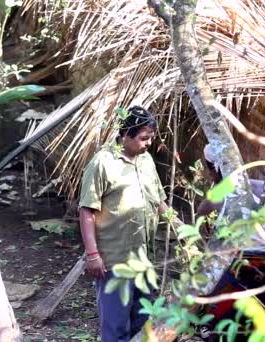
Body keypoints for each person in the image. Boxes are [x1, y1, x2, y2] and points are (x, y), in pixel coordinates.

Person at [78, 106, 167, 342]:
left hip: (144, 258)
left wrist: (186, 232)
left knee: (143, 324)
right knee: (116, 329)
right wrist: (92, 254)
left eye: (150, 138)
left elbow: (160, 202)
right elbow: (86, 210)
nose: (148, 143)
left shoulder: (146, 160)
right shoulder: (102, 163)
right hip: (114, 262)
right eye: (143, 138)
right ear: (125, 134)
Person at [196, 144, 265, 323]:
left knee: (218, 325)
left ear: (212, 170)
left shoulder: (213, 201)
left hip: (236, 270)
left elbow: (202, 243)